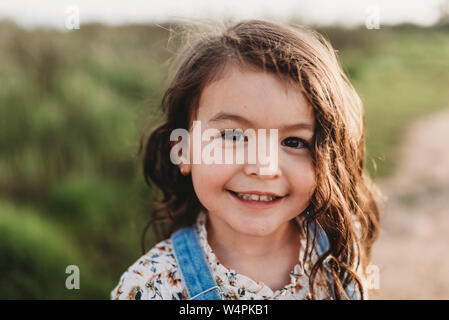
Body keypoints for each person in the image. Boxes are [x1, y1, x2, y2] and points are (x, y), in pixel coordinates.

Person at [111, 19, 381, 300]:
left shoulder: (337, 249)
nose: (263, 168)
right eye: (234, 136)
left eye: (293, 142)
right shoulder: (152, 288)